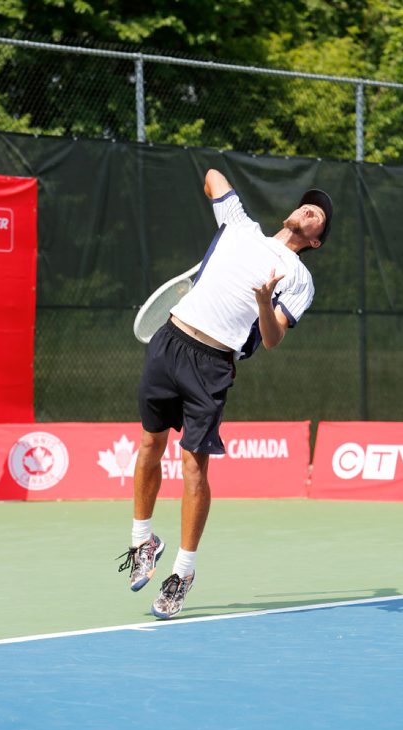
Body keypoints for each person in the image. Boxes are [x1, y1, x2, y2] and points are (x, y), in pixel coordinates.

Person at [117, 168, 333, 619]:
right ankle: (143, 540)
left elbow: (272, 339)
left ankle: (183, 572)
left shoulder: (298, 278)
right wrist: (223, 200)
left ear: (316, 241)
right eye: (308, 204)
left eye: (319, 216)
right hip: (169, 340)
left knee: (193, 467)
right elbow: (213, 175)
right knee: (149, 444)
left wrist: (262, 300)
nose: (311, 210)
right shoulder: (239, 226)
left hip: (212, 364)